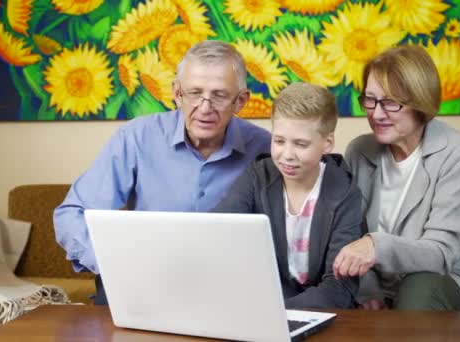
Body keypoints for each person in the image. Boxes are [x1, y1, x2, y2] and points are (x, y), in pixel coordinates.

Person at [332, 45, 460, 341]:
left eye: (390, 103)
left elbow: (441, 253)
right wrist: (369, 290)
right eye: (370, 100)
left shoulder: (458, 153)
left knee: (419, 287)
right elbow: (350, 234)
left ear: (420, 101)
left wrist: (375, 246)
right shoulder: (359, 151)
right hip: (388, 286)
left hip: (456, 281)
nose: (376, 113)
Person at [53, 40, 271, 305]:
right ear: (177, 93)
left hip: (226, 293)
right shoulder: (136, 138)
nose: (205, 107)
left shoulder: (267, 148)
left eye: (220, 95)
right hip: (140, 289)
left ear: (241, 101)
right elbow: (71, 213)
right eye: (194, 93)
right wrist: (113, 264)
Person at [213, 82, 361, 309]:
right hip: (261, 305)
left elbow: (340, 286)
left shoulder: (345, 191)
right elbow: (218, 231)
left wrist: (278, 312)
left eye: (301, 144)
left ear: (327, 143)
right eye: (279, 141)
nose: (287, 155)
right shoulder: (257, 176)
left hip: (319, 313)